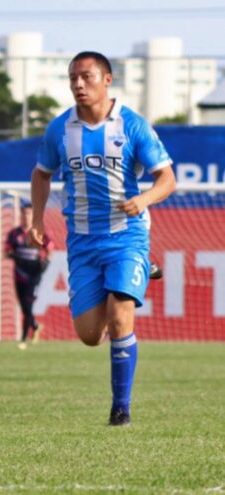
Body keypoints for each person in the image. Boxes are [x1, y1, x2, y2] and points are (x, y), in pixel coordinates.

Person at [30, 51, 175, 426]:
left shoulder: (132, 125)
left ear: (107, 80)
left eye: (87, 77)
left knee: (120, 312)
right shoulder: (59, 129)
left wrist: (142, 199)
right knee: (90, 335)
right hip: (82, 242)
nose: (79, 84)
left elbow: (167, 179)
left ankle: (120, 409)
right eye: (73, 78)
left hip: (127, 234)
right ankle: (138, 273)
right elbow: (41, 174)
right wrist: (37, 220)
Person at [6, 202, 51, 349]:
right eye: (24, 213)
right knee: (24, 308)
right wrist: (14, 256)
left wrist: (45, 263)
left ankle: (23, 338)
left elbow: (50, 248)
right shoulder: (14, 234)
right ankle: (36, 326)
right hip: (19, 274)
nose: (26, 216)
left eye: (29, 213)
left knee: (28, 305)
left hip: (34, 274)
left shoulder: (39, 233)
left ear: (33, 215)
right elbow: (7, 251)